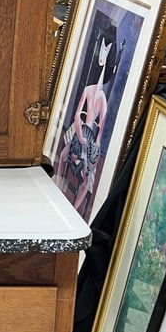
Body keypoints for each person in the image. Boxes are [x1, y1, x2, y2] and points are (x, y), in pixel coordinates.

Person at [55, 15, 124, 215]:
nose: (102, 55)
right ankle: (57, 187)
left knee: (88, 179)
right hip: (80, 129)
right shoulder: (88, 89)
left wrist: (94, 148)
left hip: (91, 137)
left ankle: (74, 211)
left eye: (106, 51)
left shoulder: (102, 98)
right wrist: (79, 130)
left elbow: (100, 127)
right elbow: (78, 113)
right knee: (63, 154)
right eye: (101, 49)